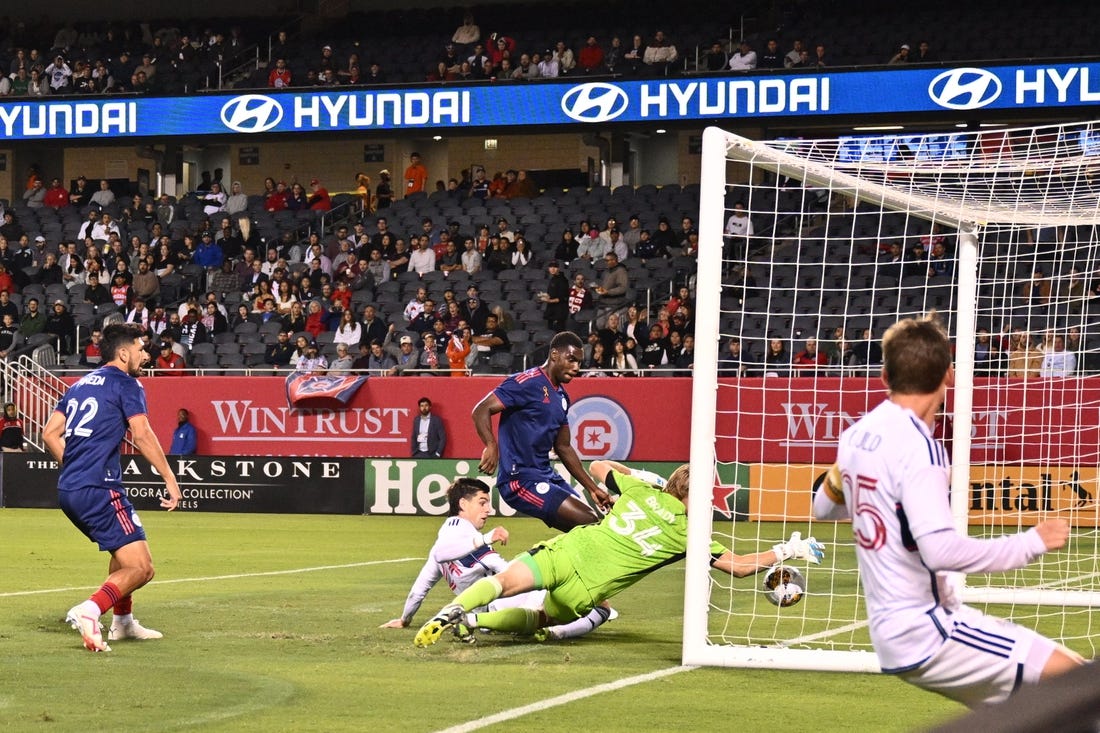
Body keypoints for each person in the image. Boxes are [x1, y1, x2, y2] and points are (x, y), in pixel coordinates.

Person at [812, 315, 1083, 707]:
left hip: (896, 631)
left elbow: (823, 507)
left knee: (1035, 714)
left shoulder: (857, 435)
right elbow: (942, 552)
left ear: (885, 374)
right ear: (949, 375)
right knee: (1080, 685)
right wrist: (1030, 542)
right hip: (928, 629)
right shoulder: (920, 448)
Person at [414, 461, 823, 647]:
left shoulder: (640, 490)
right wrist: (788, 549)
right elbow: (737, 567)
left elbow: (597, 466)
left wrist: (641, 476)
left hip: (572, 549)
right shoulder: (690, 533)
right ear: (692, 495)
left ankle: (453, 610)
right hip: (589, 589)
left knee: (503, 582)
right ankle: (473, 621)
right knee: (542, 617)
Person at [42, 323, 183, 653]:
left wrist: (76, 467)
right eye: (140, 348)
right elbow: (142, 434)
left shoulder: (78, 386)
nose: (145, 355)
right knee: (142, 567)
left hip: (71, 489)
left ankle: (122, 623)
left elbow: (49, 433)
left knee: (123, 554)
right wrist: (170, 479)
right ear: (123, 353)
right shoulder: (126, 382)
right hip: (99, 487)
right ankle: (90, 610)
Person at [383, 478, 613, 643]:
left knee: (557, 612)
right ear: (463, 504)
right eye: (482, 502)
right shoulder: (461, 532)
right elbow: (452, 555)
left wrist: (405, 619)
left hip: (491, 610)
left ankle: (477, 621)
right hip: (508, 601)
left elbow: (419, 589)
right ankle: (556, 632)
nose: (488, 510)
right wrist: (487, 538)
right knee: (602, 606)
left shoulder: (449, 540)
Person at [471, 331, 611, 531]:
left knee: (589, 529)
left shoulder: (562, 397)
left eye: (579, 363)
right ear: (554, 355)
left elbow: (563, 447)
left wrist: (593, 488)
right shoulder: (526, 382)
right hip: (519, 480)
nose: (576, 368)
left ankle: (554, 562)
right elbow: (481, 410)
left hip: (546, 475)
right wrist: (491, 445)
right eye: (571, 360)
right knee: (587, 520)